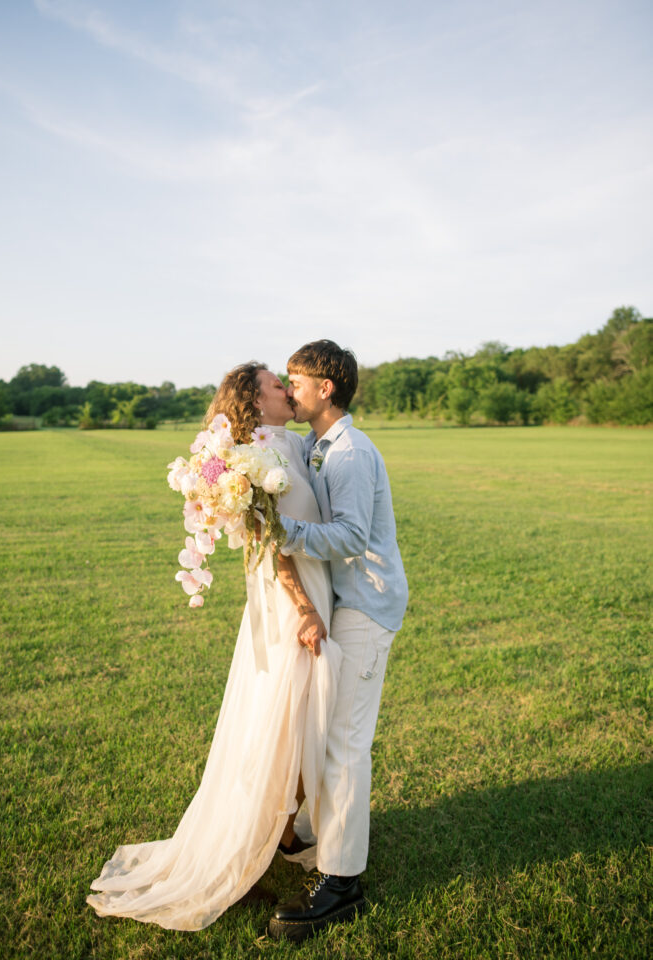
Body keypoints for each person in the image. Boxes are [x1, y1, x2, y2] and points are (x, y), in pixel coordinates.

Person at [86, 363, 343, 931]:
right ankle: (251, 834)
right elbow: (270, 542)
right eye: (277, 383)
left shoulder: (293, 446)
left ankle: (282, 827)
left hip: (319, 591)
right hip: (288, 604)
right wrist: (301, 605)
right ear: (254, 397)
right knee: (282, 718)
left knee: (307, 716)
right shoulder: (248, 456)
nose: (286, 387)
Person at [267, 340, 408, 943]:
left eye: (294, 380)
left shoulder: (349, 453)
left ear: (326, 389)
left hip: (367, 604)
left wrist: (280, 531)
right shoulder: (314, 444)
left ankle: (341, 883)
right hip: (341, 603)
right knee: (328, 734)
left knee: (346, 743)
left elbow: (350, 536)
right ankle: (324, 841)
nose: (288, 386)